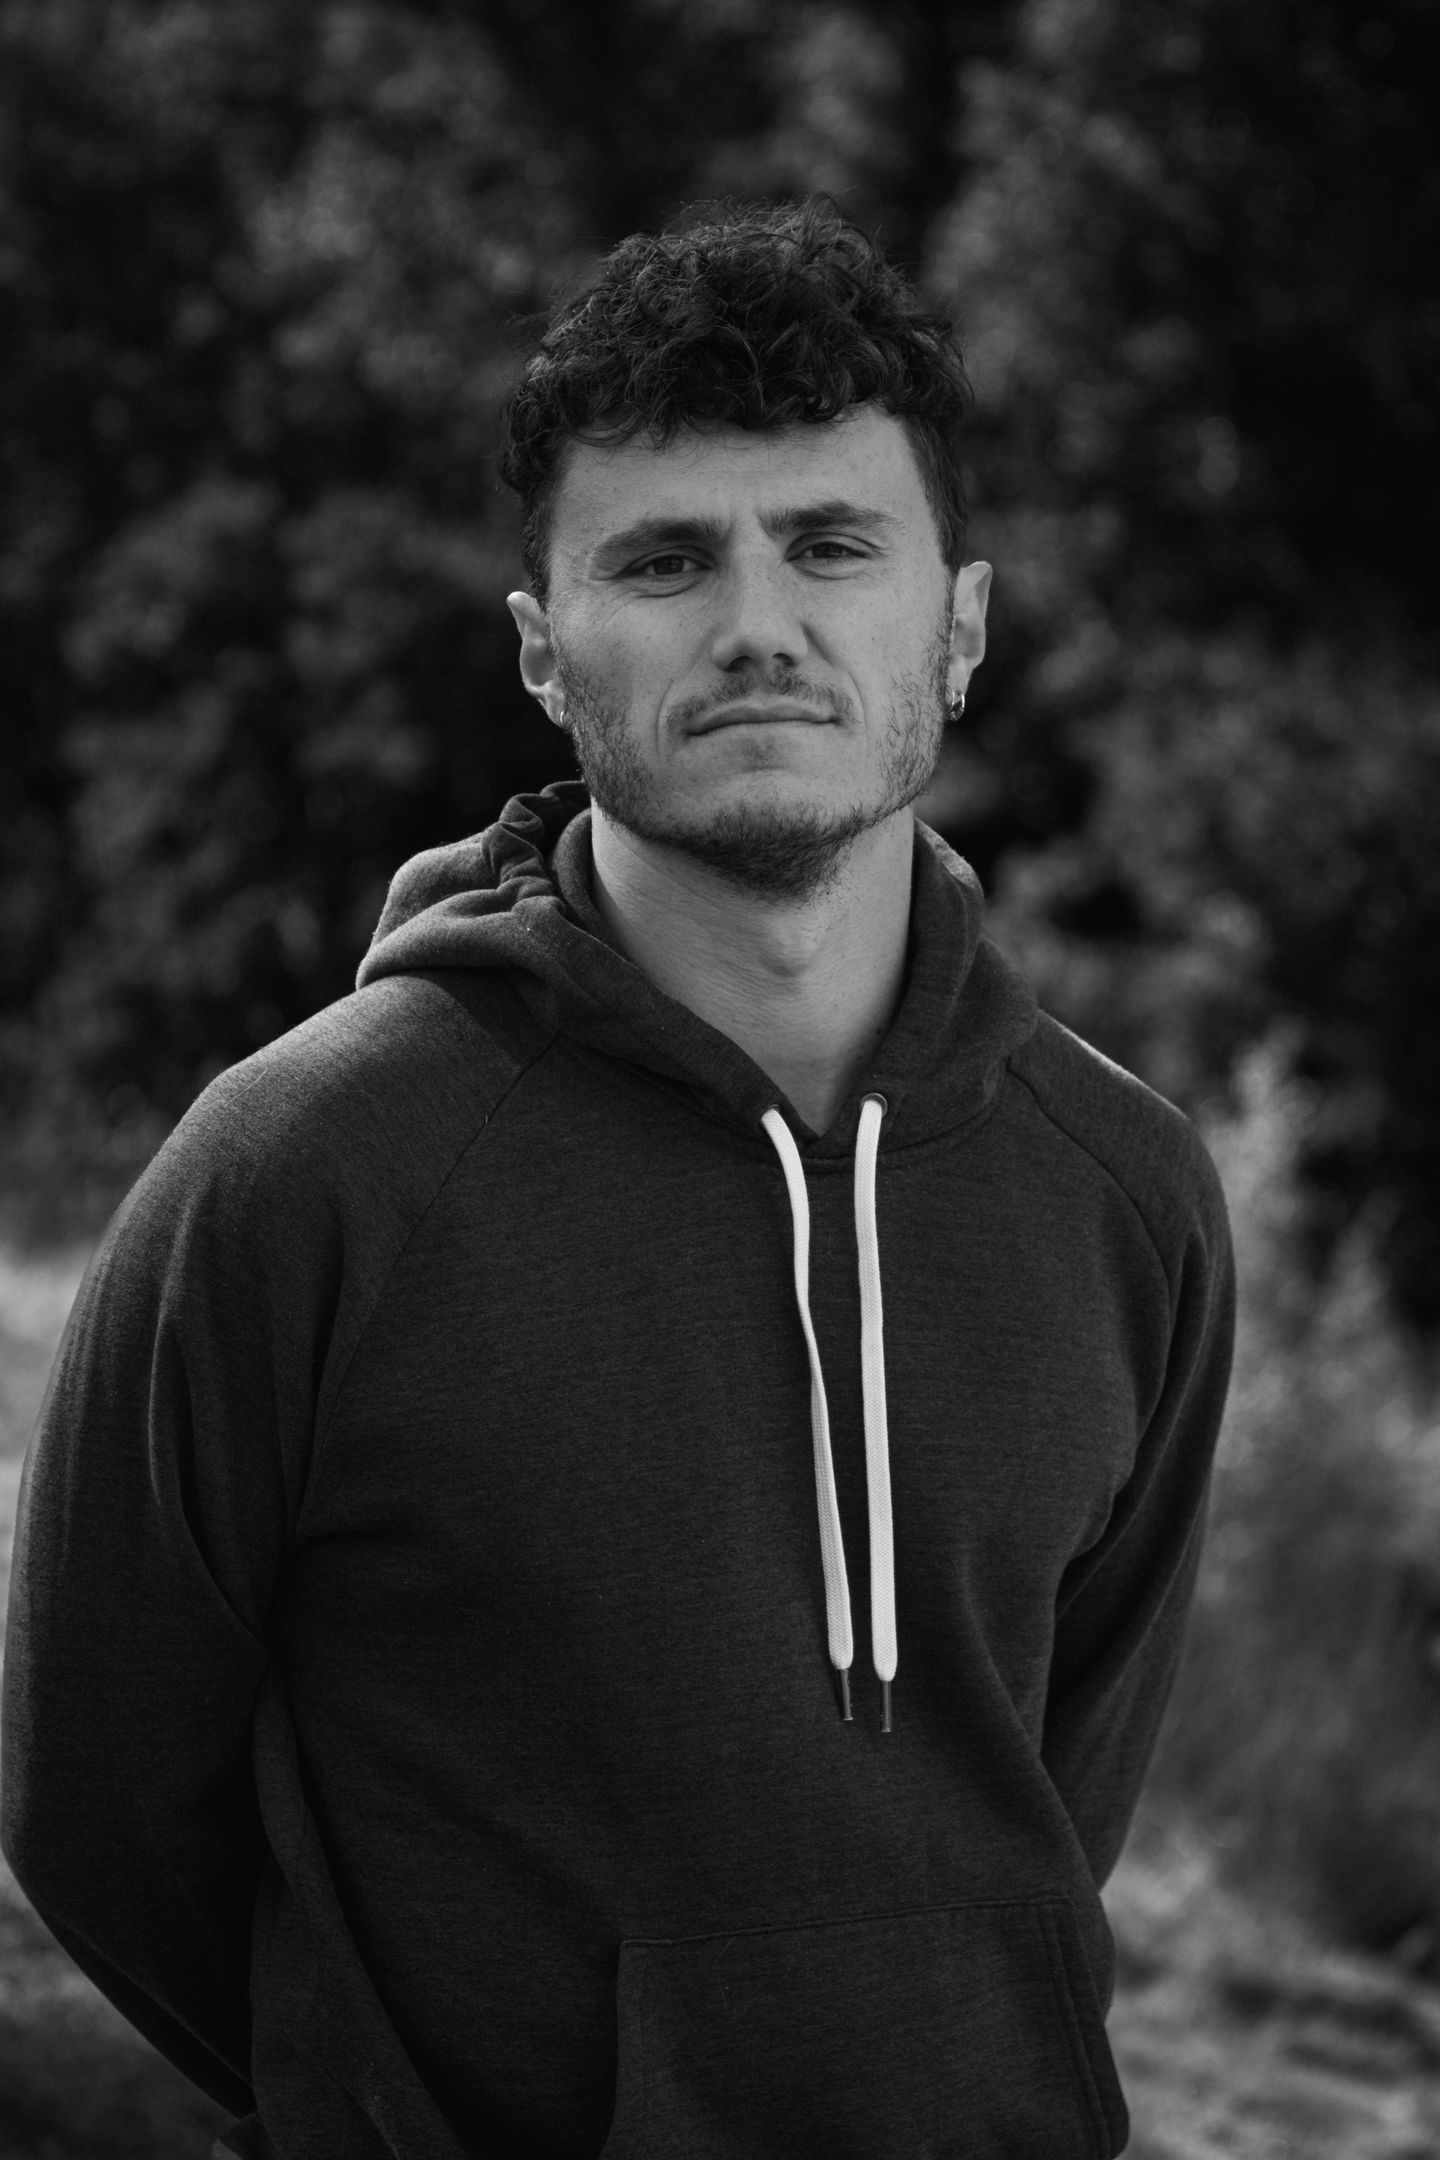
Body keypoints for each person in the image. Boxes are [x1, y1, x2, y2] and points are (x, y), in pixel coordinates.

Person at [1, 198, 1234, 2159]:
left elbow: (1052, 1807)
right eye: (664, 560)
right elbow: (92, 1806)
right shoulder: (305, 1172)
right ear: (543, 654)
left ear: (962, 626)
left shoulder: (1127, 1193)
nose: (757, 625)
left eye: (832, 545)